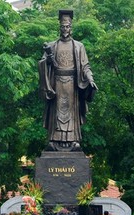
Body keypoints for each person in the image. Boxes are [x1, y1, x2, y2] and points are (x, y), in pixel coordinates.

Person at [38, 9, 97, 152]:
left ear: (71, 27)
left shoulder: (78, 46)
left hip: (72, 85)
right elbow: (42, 63)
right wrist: (49, 62)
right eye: (63, 26)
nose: (65, 29)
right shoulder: (52, 46)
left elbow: (85, 66)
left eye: (67, 26)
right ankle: (53, 140)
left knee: (71, 114)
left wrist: (90, 78)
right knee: (57, 113)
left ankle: (74, 140)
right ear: (59, 27)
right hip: (56, 84)